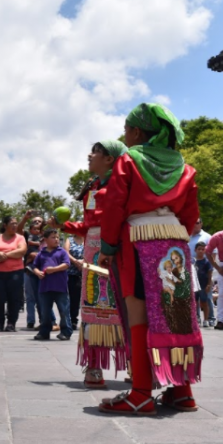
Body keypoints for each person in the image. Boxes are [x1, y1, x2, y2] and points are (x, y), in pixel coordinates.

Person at [98, 103, 202, 416]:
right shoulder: (184, 168)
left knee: (139, 313)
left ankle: (141, 393)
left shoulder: (129, 160)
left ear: (136, 132)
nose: (125, 136)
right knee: (176, 313)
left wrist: (108, 246)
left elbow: (115, 205)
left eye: (126, 130)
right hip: (175, 242)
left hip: (138, 238)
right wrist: (174, 234)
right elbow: (190, 215)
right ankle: (182, 391)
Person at [51, 140, 128, 388]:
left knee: (126, 306)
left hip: (119, 248)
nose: (89, 155)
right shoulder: (92, 186)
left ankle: (135, 363)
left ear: (109, 159)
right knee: (94, 305)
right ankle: (94, 366)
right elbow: (89, 226)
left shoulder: (126, 183)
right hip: (93, 249)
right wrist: (64, 226)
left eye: (95, 152)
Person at [0, 216, 27, 332]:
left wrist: (4, 255)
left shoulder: (20, 238)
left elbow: (22, 251)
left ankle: (11, 323)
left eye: (16, 223)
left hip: (15, 273)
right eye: (12, 223)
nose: (15, 226)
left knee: (14, 298)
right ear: (5, 225)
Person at [31, 230, 72, 341]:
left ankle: (66, 332)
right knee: (45, 312)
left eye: (57, 237)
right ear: (45, 239)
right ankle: (44, 332)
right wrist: (37, 272)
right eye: (53, 237)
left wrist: (54, 269)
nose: (56, 239)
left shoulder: (62, 252)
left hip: (60, 287)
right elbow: (34, 266)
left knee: (64, 311)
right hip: (45, 287)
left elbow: (66, 264)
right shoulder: (41, 253)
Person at [64, 233, 84, 329]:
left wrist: (83, 261)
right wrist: (76, 262)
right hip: (72, 273)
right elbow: (66, 253)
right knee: (73, 298)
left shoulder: (88, 240)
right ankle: (72, 320)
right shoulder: (70, 240)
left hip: (86, 272)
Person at [194, 242, 215, 327]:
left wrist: (209, 284)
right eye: (199, 249)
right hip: (194, 285)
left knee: (204, 302)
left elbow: (210, 273)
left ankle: (206, 320)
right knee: (195, 303)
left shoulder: (207, 262)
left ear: (205, 250)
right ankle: (196, 318)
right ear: (195, 250)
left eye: (203, 249)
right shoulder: (192, 261)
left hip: (203, 285)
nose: (200, 251)